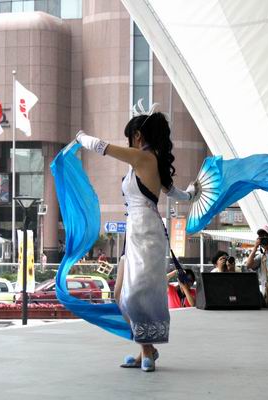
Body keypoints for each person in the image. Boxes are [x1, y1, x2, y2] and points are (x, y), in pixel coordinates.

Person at [76, 105, 195, 372]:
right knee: (120, 293)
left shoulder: (143, 157)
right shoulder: (150, 162)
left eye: (130, 137)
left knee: (134, 295)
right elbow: (175, 192)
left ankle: (147, 351)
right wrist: (190, 194)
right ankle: (146, 349)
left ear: (138, 135)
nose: (129, 142)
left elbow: (102, 147)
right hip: (136, 231)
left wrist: (80, 137)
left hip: (146, 231)